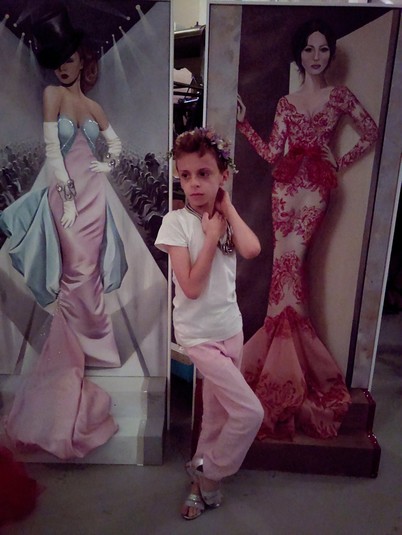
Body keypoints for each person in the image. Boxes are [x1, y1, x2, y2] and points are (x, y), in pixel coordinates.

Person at [236, 18, 378, 440]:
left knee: (292, 264)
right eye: (309, 49)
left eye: (323, 49)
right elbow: (271, 153)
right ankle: (284, 363)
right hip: (284, 187)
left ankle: (293, 365)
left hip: (317, 187)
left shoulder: (340, 96)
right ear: (299, 54)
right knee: (282, 268)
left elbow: (370, 132)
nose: (316, 56)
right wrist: (244, 125)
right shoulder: (286, 102)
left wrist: (340, 160)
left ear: (330, 53)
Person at [0, 7, 127, 459]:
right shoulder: (52, 95)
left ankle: (95, 343)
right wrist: (68, 198)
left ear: (82, 57)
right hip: (67, 195)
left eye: (69, 58)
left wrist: (104, 167)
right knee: (76, 270)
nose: (63, 67)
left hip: (93, 195)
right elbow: (53, 152)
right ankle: (76, 348)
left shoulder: (93, 107)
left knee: (89, 271)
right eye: (56, 61)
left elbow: (116, 146)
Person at [155, 127, 264, 520]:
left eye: (204, 174)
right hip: (198, 336)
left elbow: (252, 249)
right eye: (186, 176)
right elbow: (191, 287)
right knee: (250, 413)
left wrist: (227, 212)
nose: (194, 184)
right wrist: (211, 237)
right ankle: (209, 473)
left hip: (230, 329)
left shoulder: (224, 218)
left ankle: (198, 479)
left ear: (223, 176)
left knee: (217, 414)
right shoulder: (175, 223)